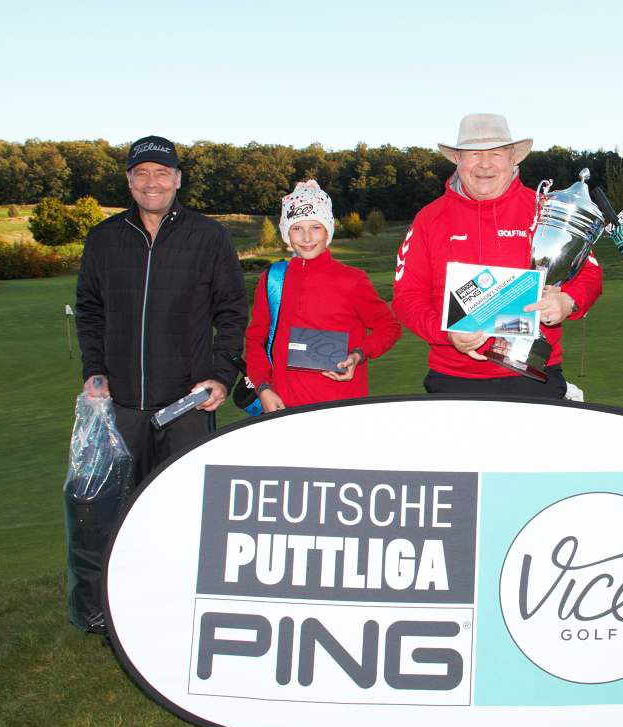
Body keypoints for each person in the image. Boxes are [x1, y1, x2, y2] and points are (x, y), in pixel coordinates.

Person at [76, 135, 248, 486]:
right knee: (123, 508)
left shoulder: (210, 236)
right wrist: (94, 370)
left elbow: (232, 312)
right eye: (141, 173)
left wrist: (221, 376)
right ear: (129, 181)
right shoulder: (103, 238)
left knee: (184, 504)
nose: (151, 182)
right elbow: (90, 310)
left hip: (188, 406)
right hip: (121, 407)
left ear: (177, 179)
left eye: (161, 172)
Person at [391, 113, 603, 397]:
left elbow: (590, 274)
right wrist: (446, 334)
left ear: (513, 158)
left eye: (496, 153)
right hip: (453, 378)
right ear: (458, 160)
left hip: (534, 376)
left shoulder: (546, 209)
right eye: (474, 154)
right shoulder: (428, 219)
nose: (485, 164)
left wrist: (568, 301)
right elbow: (406, 297)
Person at [243, 180, 401, 410]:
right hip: (283, 408)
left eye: (315, 227)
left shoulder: (352, 280)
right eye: (297, 228)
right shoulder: (273, 279)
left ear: (328, 230)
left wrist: (358, 354)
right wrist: (263, 388)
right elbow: (256, 338)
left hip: (341, 408)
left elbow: (389, 327)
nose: (307, 238)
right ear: (287, 233)